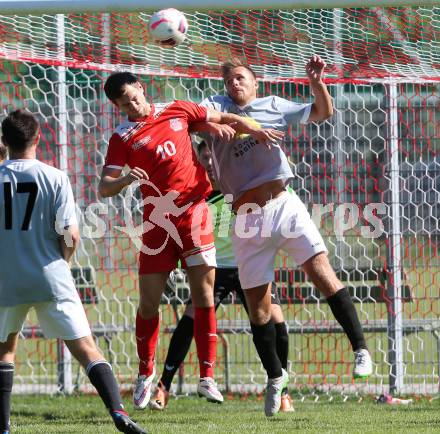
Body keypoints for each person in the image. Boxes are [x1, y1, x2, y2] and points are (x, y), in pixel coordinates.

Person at [194, 55, 373, 417]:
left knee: (322, 272)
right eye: (228, 81)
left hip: (284, 205)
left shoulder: (273, 105)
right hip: (246, 219)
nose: (234, 85)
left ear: (255, 82)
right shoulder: (214, 106)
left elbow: (322, 113)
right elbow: (197, 118)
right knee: (259, 309)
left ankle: (360, 348)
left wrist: (317, 83)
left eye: (241, 78)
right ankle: (276, 378)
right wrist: (245, 126)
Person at [99, 72, 283, 410]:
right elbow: (104, 186)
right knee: (148, 303)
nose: (133, 106)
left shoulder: (177, 109)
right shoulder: (122, 137)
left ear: (141, 87)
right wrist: (124, 179)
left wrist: (251, 128)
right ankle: (145, 373)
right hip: (157, 221)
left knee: (203, 296)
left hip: (194, 214)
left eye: (134, 97)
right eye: (124, 104)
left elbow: (221, 117)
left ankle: (206, 377)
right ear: (117, 106)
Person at [0, 110, 146, 434]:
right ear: (38, 139)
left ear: (5, 141)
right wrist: (64, 261)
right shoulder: (54, 177)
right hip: (50, 273)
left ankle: (5, 427)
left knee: (5, 350)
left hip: (5, 278)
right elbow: (71, 234)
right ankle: (118, 412)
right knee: (85, 348)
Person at [150, 141, 294, 413]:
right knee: (191, 318)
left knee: (275, 319)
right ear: (199, 162)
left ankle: (283, 391)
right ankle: (164, 386)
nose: (212, 165)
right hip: (213, 269)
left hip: (248, 267)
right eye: (206, 159)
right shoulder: (196, 196)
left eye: (216, 159)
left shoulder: (244, 188)